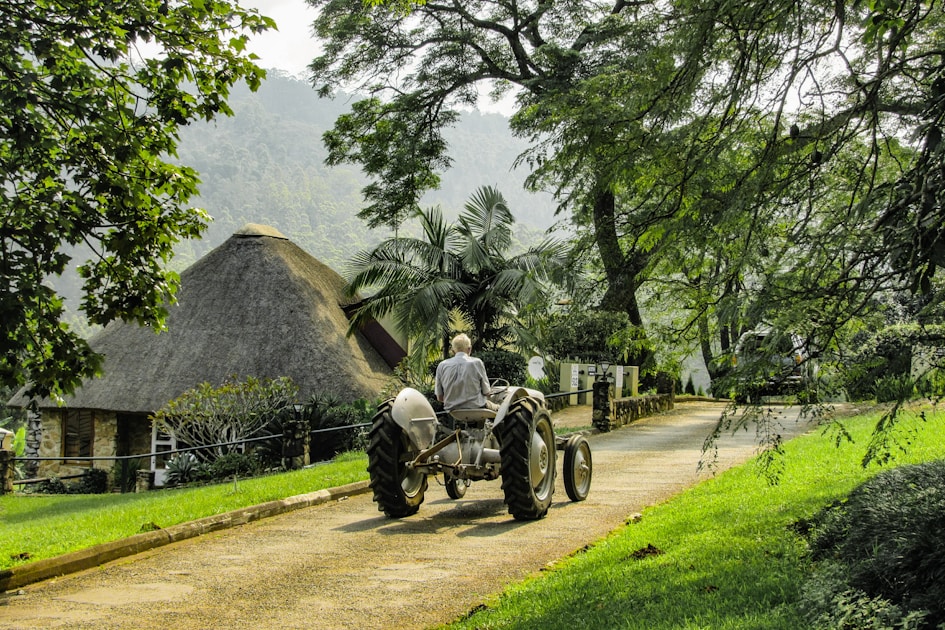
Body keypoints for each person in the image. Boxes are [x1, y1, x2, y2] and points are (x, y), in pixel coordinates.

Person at [435, 334, 499, 412]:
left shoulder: (442, 365)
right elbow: (487, 392)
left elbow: (440, 398)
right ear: (469, 349)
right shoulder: (476, 362)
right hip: (477, 407)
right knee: (501, 409)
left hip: (452, 411)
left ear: (453, 351)